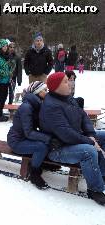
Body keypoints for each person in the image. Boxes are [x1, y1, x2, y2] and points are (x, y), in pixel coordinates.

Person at [40, 72, 105, 205]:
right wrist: (90, 141)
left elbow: (84, 117)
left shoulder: (68, 98)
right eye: (65, 81)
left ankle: (102, 174)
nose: (70, 83)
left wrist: (91, 135)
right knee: (89, 151)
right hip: (58, 148)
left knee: (101, 136)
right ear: (56, 87)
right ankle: (95, 189)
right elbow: (65, 134)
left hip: (75, 140)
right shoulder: (51, 106)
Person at [7, 81, 50, 189]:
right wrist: (48, 138)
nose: (47, 92)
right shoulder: (27, 107)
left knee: (46, 142)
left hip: (24, 138)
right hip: (16, 142)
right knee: (42, 146)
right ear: (37, 92)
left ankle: (42, 163)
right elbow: (29, 132)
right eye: (44, 90)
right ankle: (34, 173)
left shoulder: (36, 104)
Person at [0, 39, 16, 122]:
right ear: (0, 46)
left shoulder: (6, 55)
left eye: (6, 46)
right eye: (3, 46)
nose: (5, 47)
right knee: (1, 98)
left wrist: (12, 67)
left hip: (6, 80)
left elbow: (9, 66)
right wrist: (6, 73)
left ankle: (0, 113)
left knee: (4, 97)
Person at [7, 37, 22, 104]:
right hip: (4, 77)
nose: (12, 48)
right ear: (8, 47)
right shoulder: (5, 56)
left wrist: (19, 80)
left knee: (11, 92)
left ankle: (10, 106)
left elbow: (19, 70)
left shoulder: (17, 57)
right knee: (3, 93)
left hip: (13, 78)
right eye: (11, 47)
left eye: (13, 47)